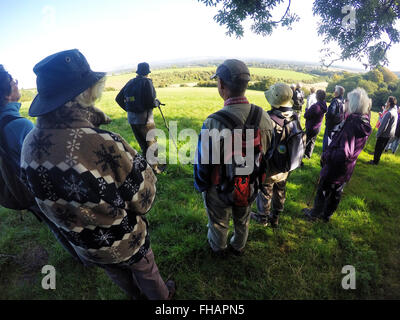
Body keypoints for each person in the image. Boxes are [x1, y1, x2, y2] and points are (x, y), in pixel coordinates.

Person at [21, 49, 175, 300]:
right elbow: (144, 199)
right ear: (85, 92)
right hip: (125, 240)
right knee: (147, 274)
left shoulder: (29, 145)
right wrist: (144, 169)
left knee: (118, 276)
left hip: (84, 245)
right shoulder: (103, 143)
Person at [0, 64, 82, 263]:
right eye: (14, 81)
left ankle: (78, 259)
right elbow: (47, 161)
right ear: (6, 94)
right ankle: (87, 257)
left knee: (53, 225)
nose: (17, 84)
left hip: (18, 189)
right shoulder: (19, 125)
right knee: (66, 224)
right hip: (40, 190)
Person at [194, 59, 274, 256]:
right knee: (243, 216)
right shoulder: (264, 117)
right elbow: (268, 152)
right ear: (246, 85)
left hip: (219, 187)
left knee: (218, 221)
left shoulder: (213, 122)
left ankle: (219, 248)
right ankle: (238, 246)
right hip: (250, 182)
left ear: (221, 84)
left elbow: (203, 163)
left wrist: (202, 185)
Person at [303, 88, 372, 222]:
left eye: (347, 100)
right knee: (336, 191)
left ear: (353, 104)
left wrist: (327, 156)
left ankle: (315, 214)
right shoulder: (362, 121)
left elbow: (344, 152)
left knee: (324, 188)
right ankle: (326, 216)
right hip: (347, 167)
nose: (345, 102)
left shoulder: (352, 123)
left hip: (336, 165)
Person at [251, 83, 298, 228]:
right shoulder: (294, 116)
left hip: (271, 164)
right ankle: (276, 217)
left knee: (265, 190)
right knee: (281, 188)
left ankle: (263, 217)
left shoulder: (268, 118)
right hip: (286, 164)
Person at [116, 62, 163, 174]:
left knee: (143, 145)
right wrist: (156, 103)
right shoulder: (147, 82)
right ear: (147, 72)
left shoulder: (130, 82)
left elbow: (118, 98)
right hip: (146, 121)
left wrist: (129, 110)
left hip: (132, 120)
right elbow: (150, 102)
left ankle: (146, 168)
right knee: (152, 145)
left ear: (138, 72)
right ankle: (154, 169)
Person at [368, 96, 398, 165]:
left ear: (389, 103)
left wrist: (378, 134)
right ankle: (376, 161)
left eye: (387, 101)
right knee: (381, 149)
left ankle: (375, 162)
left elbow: (383, 126)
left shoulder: (389, 113)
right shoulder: (395, 112)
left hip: (384, 134)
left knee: (378, 148)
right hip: (389, 134)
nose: (386, 103)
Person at [304, 89, 327, 159]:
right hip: (318, 126)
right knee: (312, 141)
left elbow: (306, 115)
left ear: (317, 96)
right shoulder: (324, 104)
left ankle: (300, 155)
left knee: (305, 142)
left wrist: (307, 110)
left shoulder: (315, 106)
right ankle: (308, 155)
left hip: (311, 127)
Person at [322, 85, 345, 153]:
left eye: (335, 91)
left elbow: (331, 112)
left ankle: (325, 154)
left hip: (331, 124)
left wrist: (327, 116)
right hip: (339, 124)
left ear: (337, 93)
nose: (334, 92)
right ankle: (331, 153)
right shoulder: (343, 100)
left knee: (327, 140)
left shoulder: (335, 101)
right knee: (334, 140)